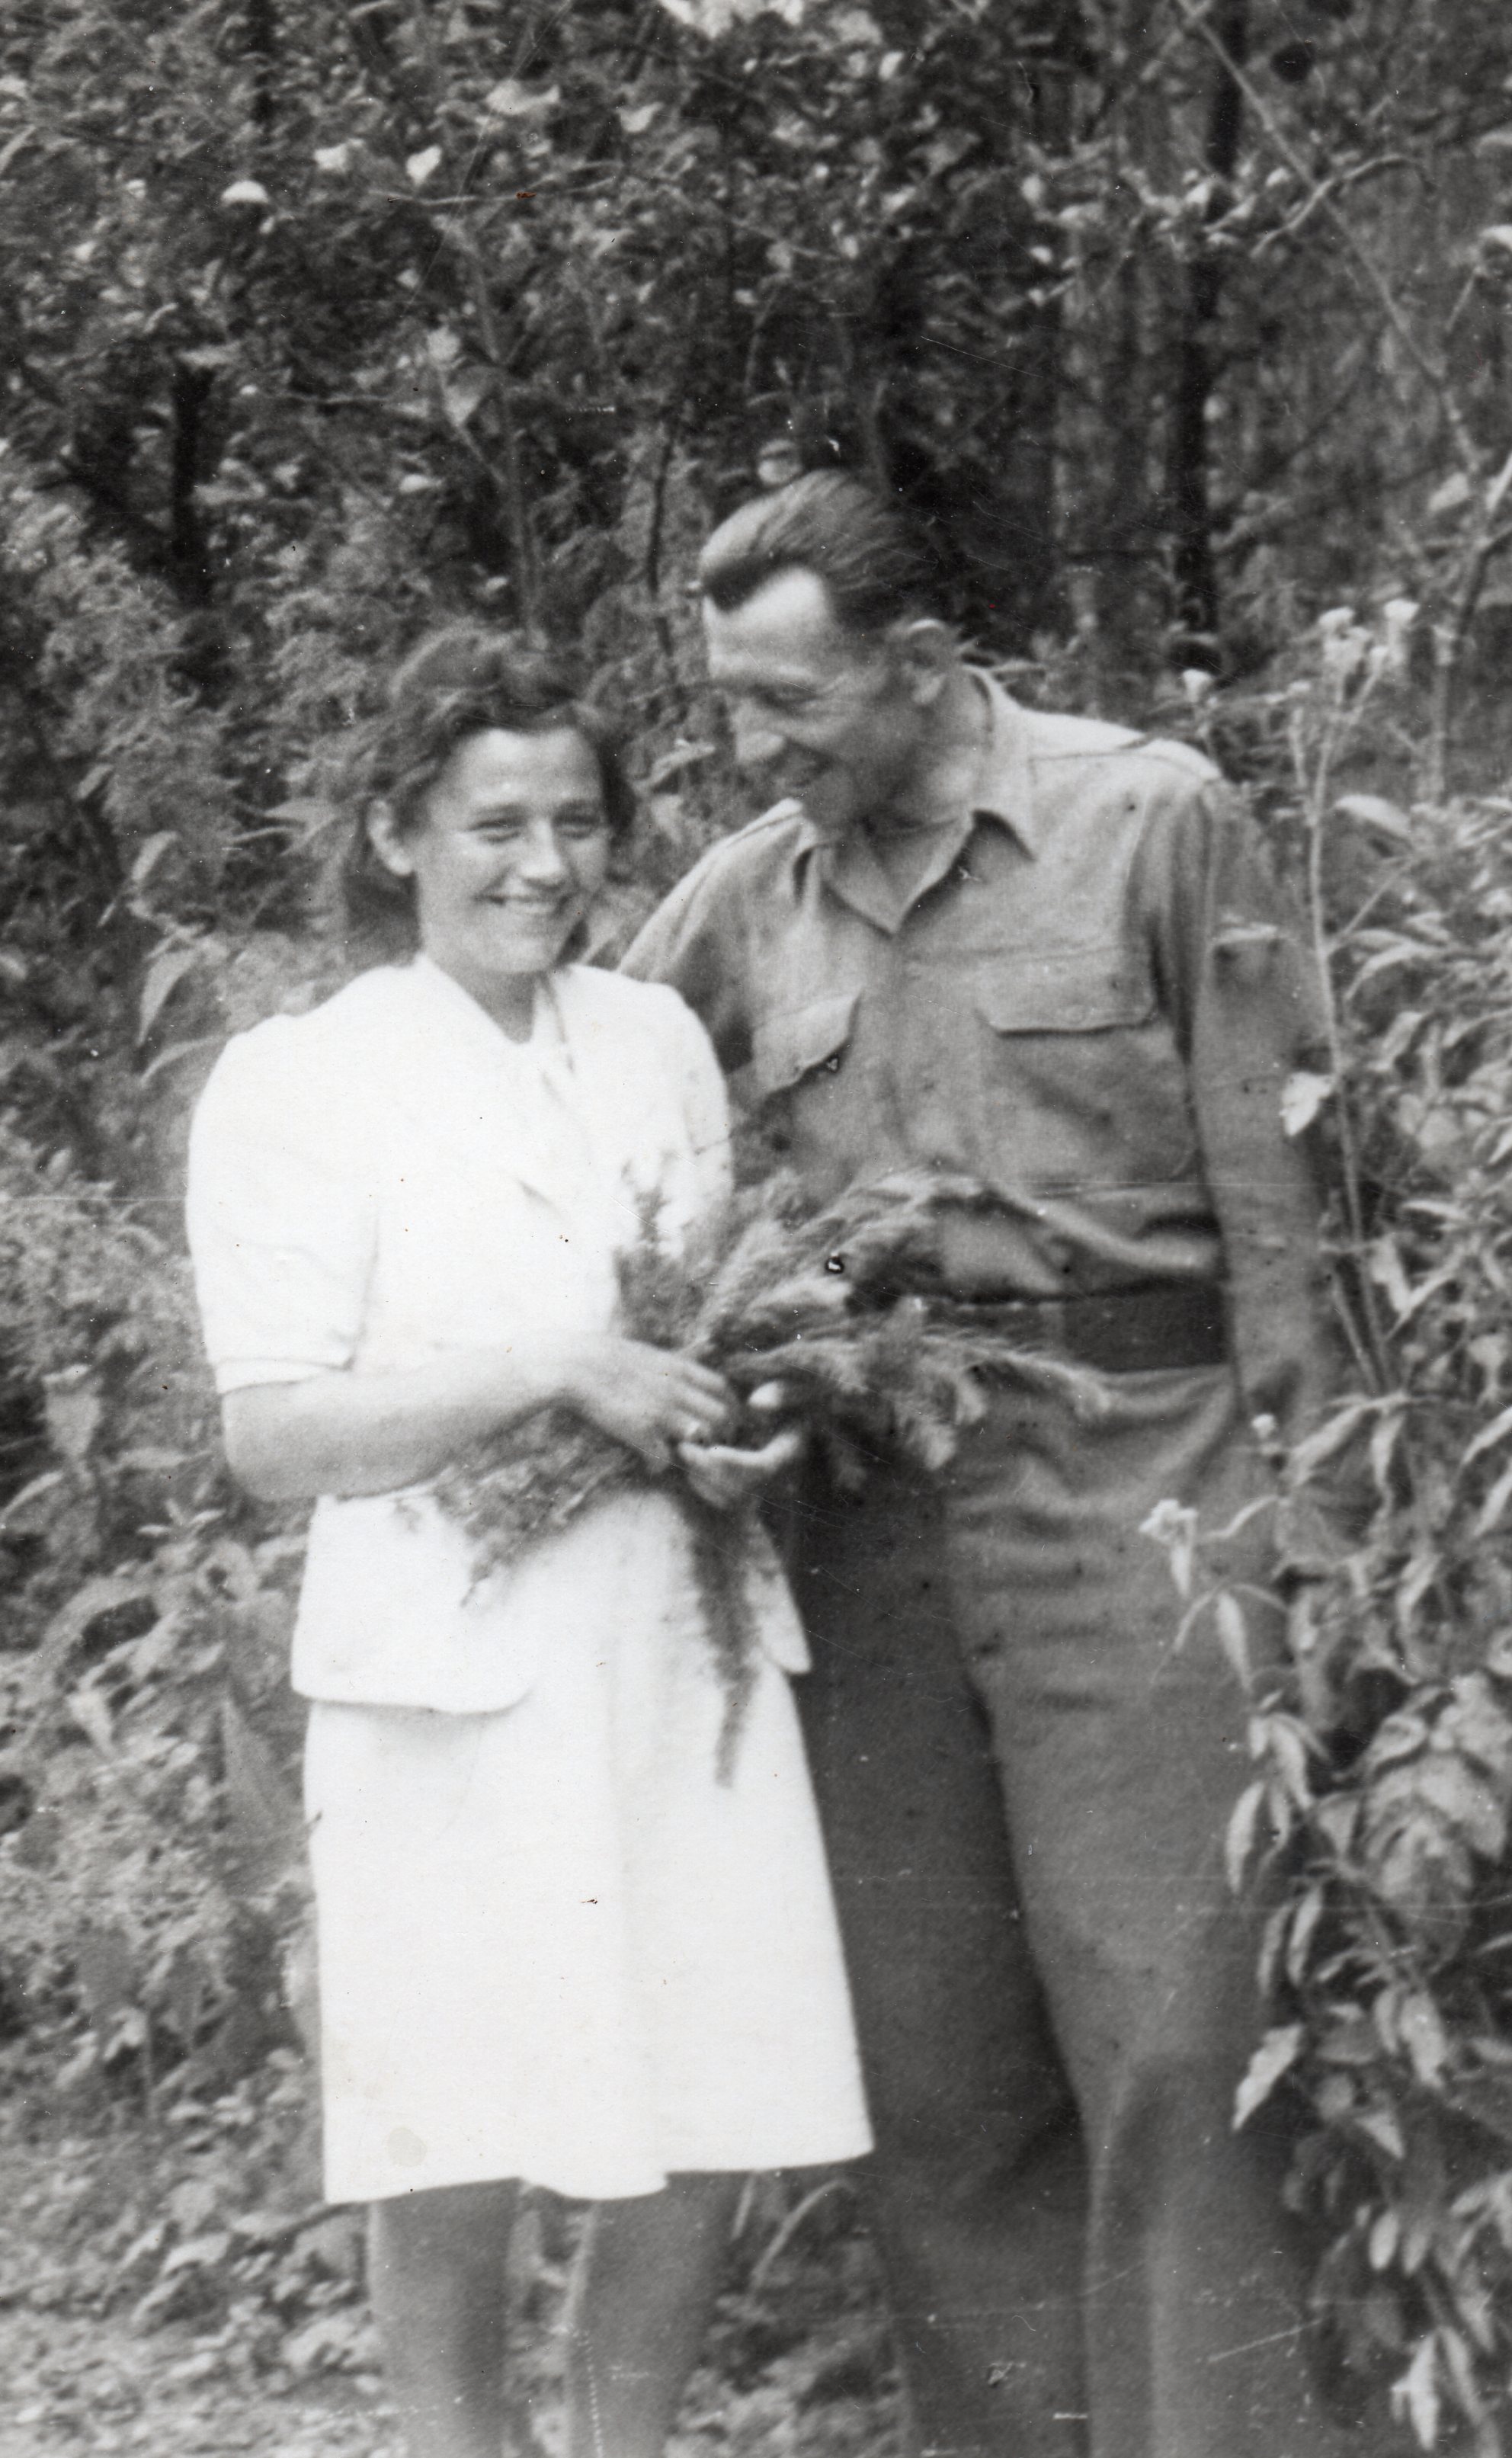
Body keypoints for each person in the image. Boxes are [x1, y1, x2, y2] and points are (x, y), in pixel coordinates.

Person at [623, 472, 1356, 2458]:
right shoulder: (751, 893)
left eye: (789, 706)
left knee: (1174, 2045)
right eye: (728, 709)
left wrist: (1323, 1536)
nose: (752, 751)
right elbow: (603, 1107)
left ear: (925, 669)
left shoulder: (1152, 820)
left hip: (1151, 1491)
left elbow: (1282, 1207)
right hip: (873, 1524)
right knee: (935, 2081)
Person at [184, 626, 871, 2458]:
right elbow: (273, 1435)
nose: (544, 864)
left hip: (676, 1638)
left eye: (578, 820)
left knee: (704, 2095)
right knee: (459, 2117)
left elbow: (709, 1327)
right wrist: (551, 1370)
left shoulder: (649, 1038)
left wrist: (738, 1433)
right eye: (495, 823)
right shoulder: (303, 1078)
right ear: (398, 828)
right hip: (450, 1676)